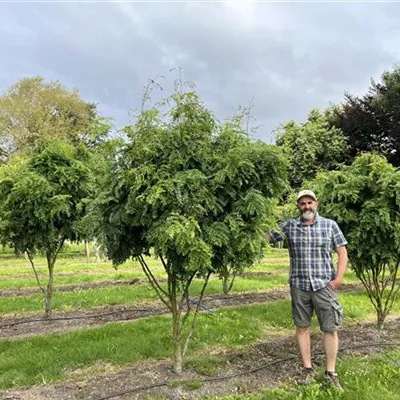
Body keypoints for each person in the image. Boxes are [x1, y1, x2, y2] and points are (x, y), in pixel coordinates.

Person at [266, 189, 348, 390]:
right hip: (299, 286)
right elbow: (267, 236)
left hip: (323, 285)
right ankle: (307, 368)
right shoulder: (289, 226)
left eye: (309, 202)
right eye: (302, 204)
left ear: (316, 204)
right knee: (302, 327)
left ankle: (331, 372)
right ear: (298, 207)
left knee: (330, 328)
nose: (306, 207)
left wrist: (338, 279)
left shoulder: (330, 225)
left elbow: (342, 251)